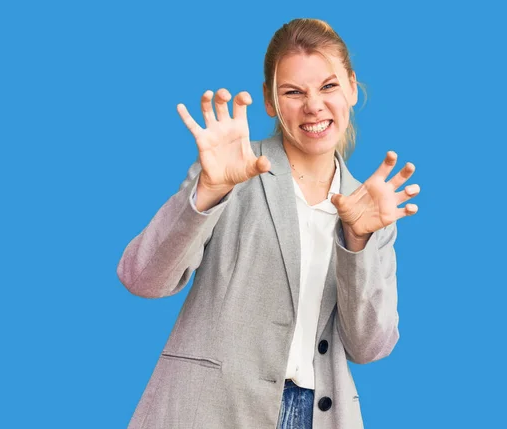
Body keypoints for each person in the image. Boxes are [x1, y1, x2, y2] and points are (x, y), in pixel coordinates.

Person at [117, 18, 420, 429]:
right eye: (293, 92)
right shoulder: (234, 169)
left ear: (351, 86)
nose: (313, 105)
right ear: (270, 100)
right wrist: (206, 192)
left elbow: (370, 347)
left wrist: (358, 240)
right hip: (210, 410)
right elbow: (143, 279)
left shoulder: (370, 208)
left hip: (317, 415)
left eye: (328, 86)